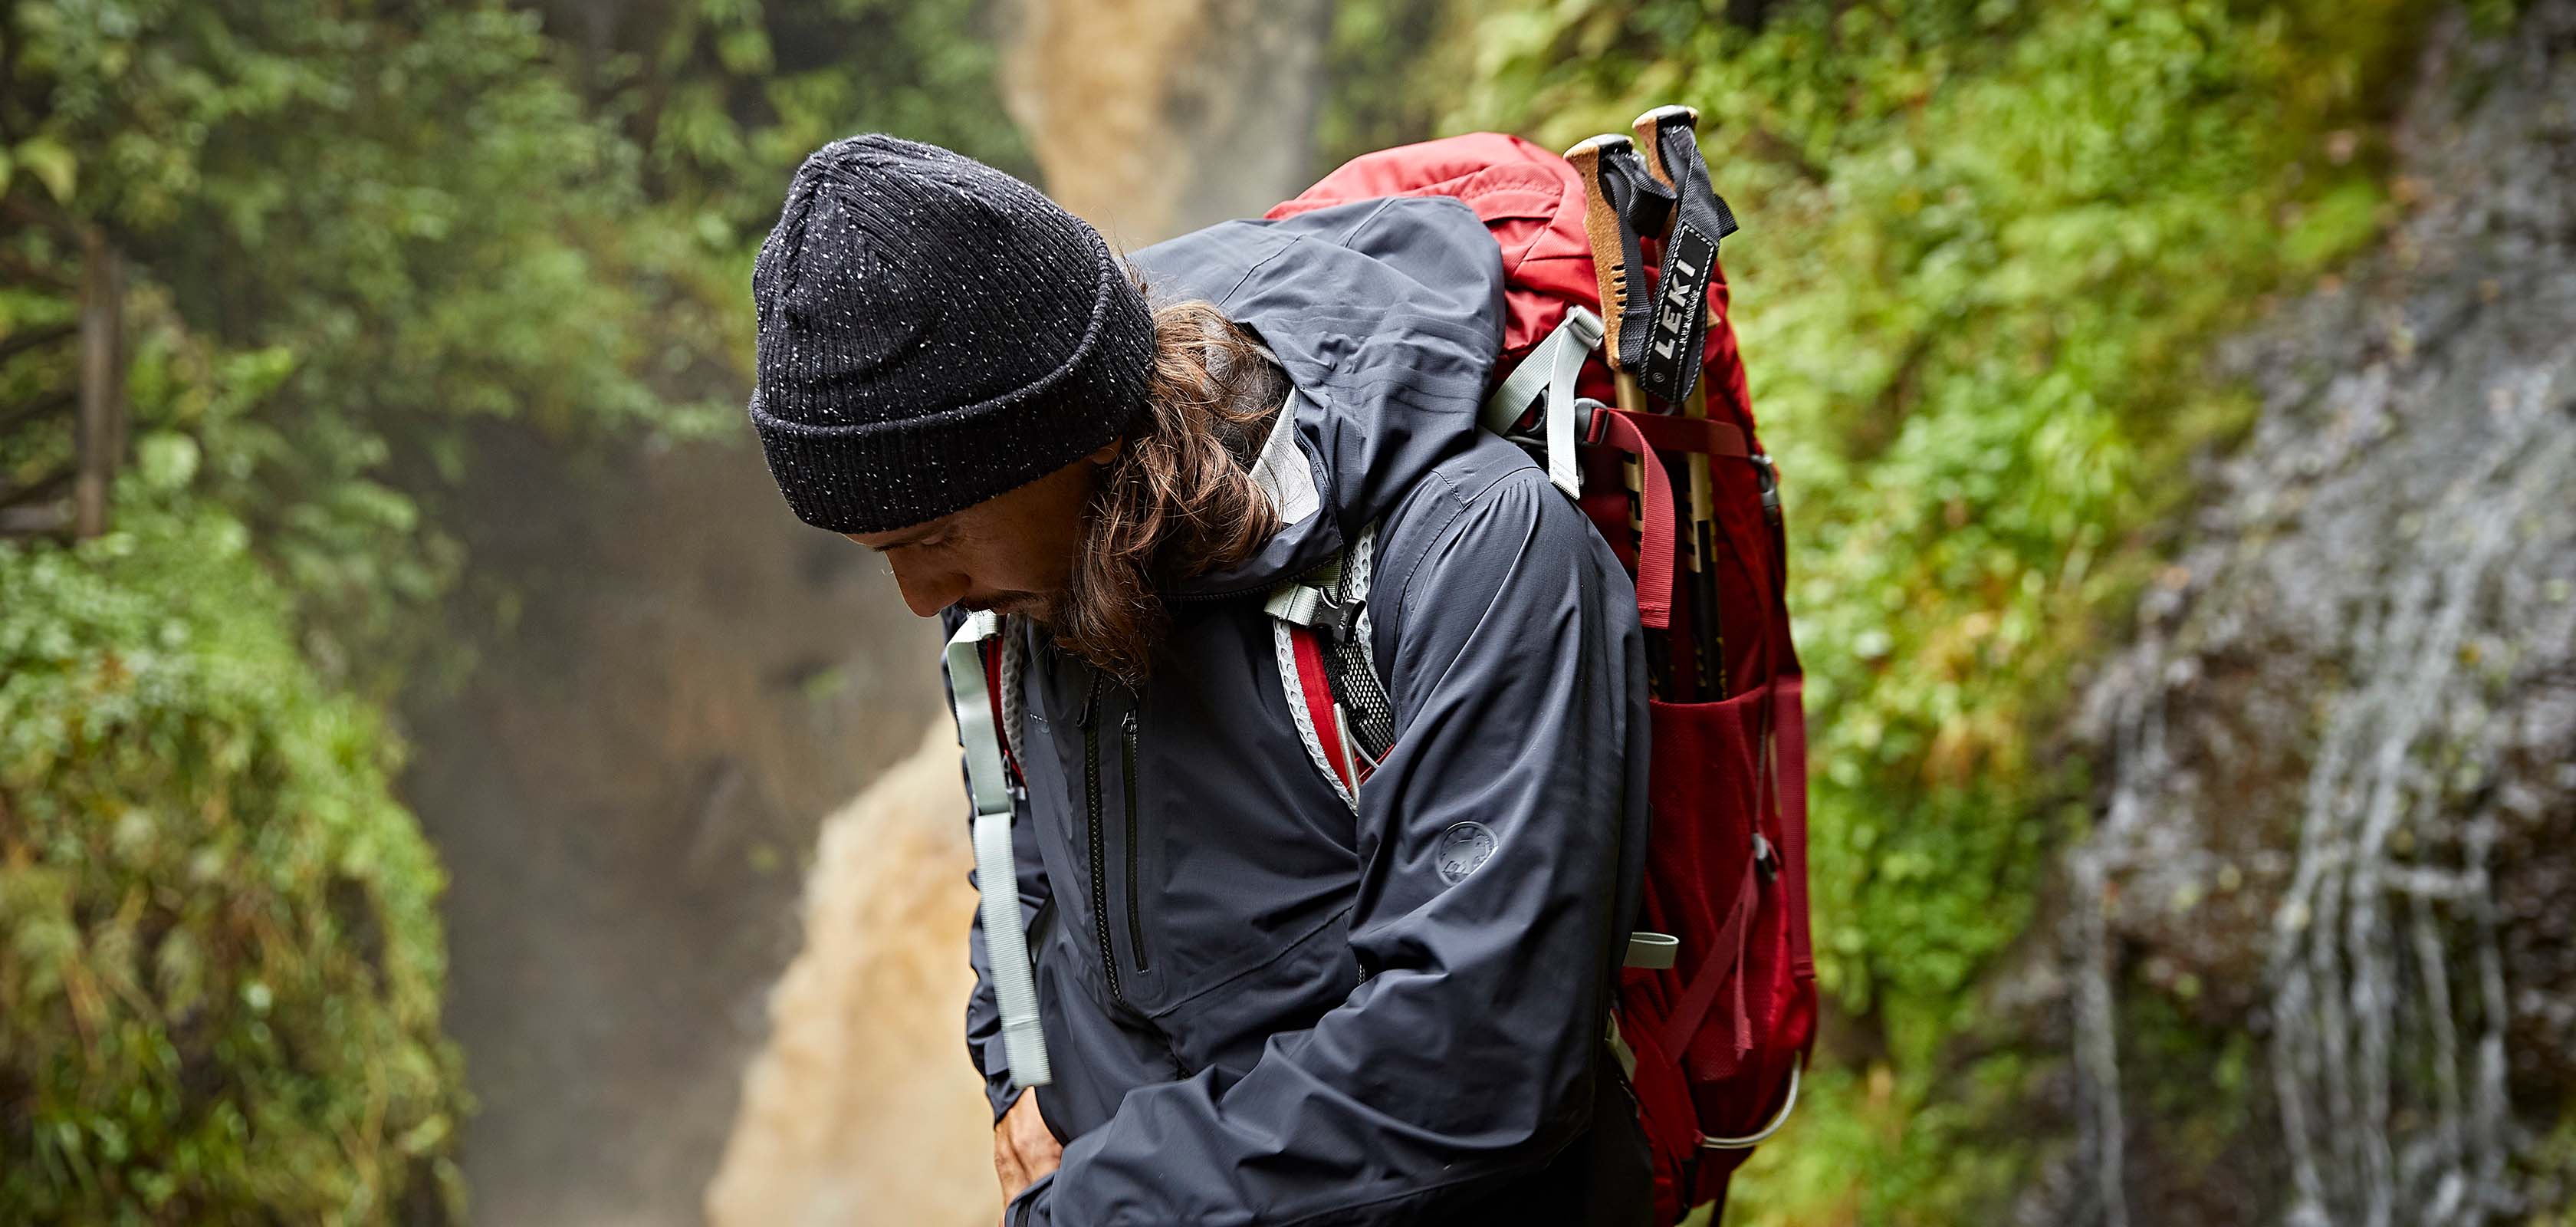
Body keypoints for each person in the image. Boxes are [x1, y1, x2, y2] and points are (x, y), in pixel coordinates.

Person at [746, 134, 1653, 1226]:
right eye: (880, 551)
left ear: (1072, 437)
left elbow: (1482, 1053)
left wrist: (1107, 1204)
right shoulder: (1030, 580)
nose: (920, 597)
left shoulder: (1477, 554)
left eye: (931, 536)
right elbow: (1018, 848)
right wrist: (1022, 1079)